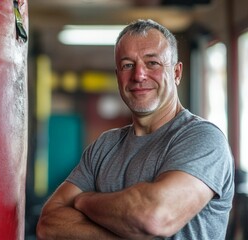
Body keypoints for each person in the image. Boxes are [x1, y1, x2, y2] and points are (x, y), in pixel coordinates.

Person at [36, 19, 235, 239]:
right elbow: (49, 223)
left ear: (177, 73)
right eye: (128, 65)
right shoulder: (104, 146)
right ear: (118, 76)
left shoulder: (202, 138)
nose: (139, 75)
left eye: (152, 63)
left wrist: (84, 201)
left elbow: (155, 217)